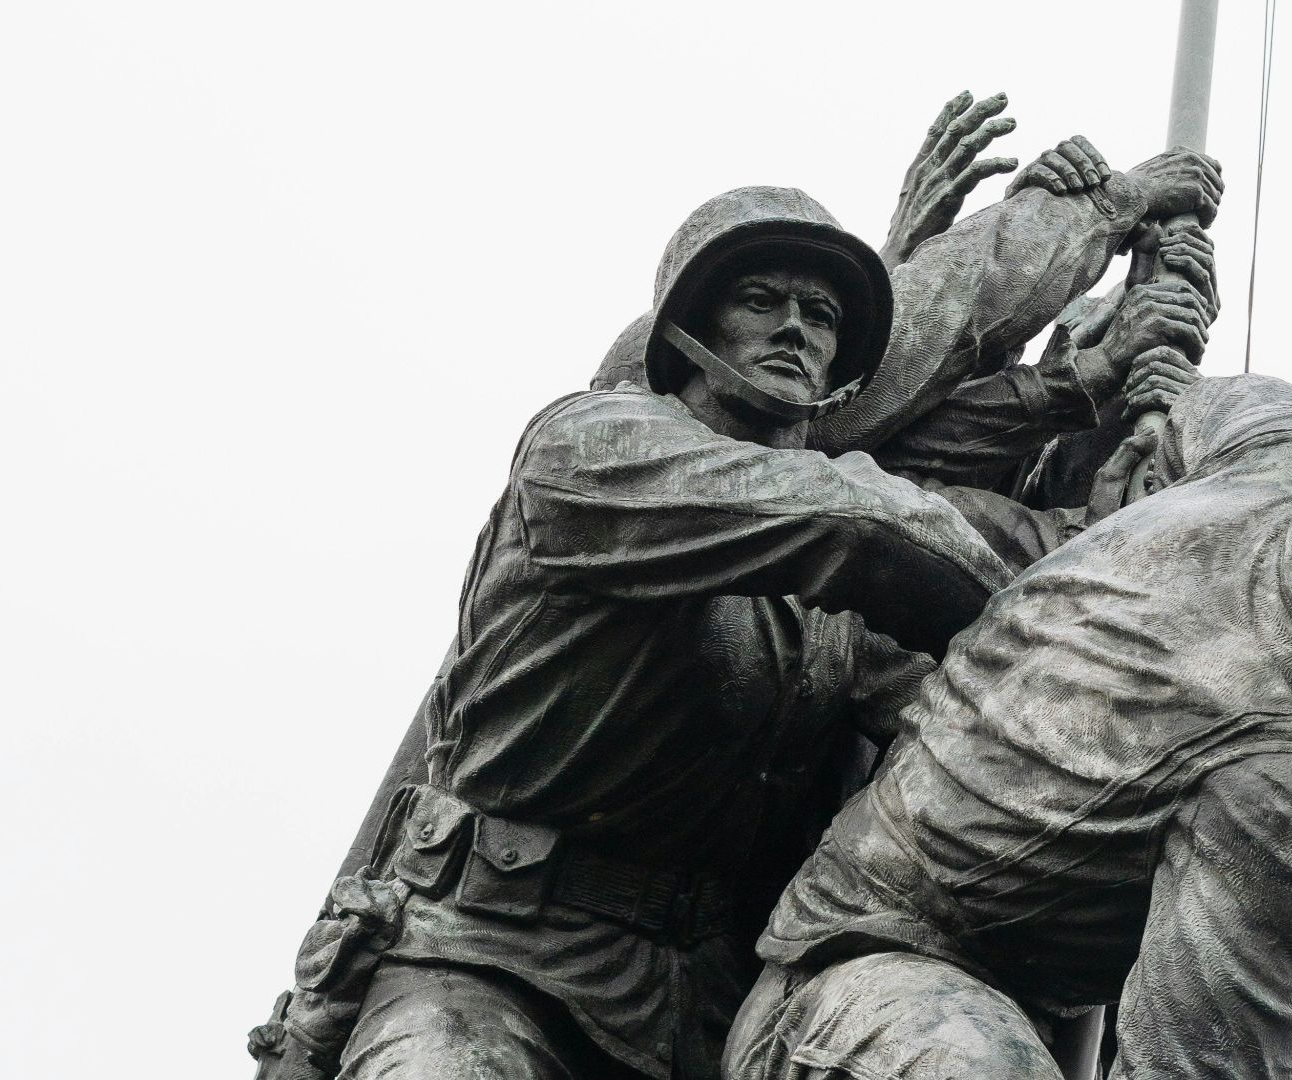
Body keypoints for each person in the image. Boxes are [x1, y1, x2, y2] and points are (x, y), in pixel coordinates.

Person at [249, 129, 1225, 1079]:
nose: (798, 326)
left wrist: (1124, 470)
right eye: (763, 299)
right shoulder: (589, 454)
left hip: (700, 1013)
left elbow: (983, 725)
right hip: (494, 968)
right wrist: (1095, 222)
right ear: (686, 331)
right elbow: (868, 526)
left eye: (824, 313)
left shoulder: (837, 609)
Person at [724, 347, 1292, 1080]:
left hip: (907, 967)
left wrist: (1153, 434)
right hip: (867, 993)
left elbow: (1207, 399)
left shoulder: (1290, 450)